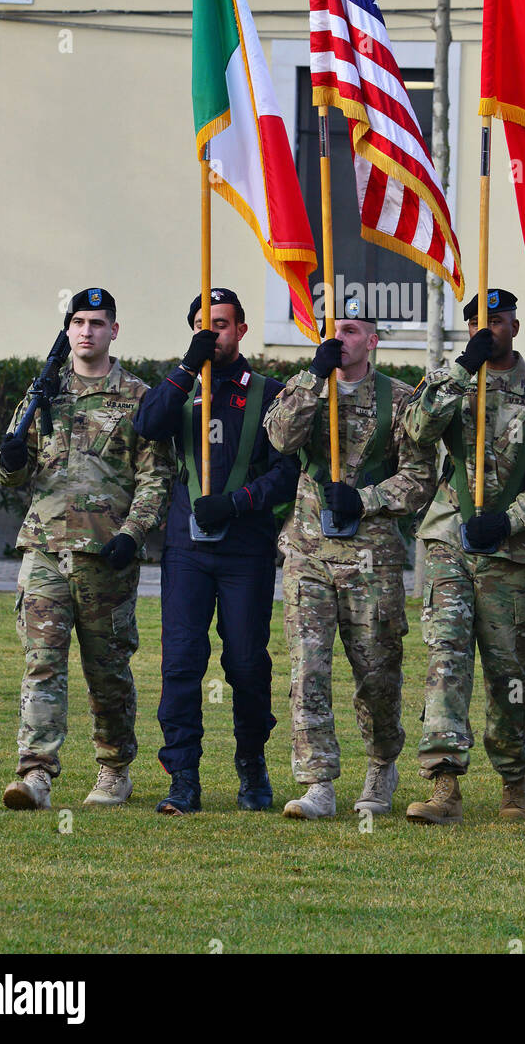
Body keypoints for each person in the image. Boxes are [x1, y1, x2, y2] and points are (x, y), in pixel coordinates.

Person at [0, 288, 174, 811]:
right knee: (43, 663)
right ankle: (35, 775)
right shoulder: (43, 392)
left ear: (114, 331)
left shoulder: (138, 397)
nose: (86, 331)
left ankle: (114, 768)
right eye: (77, 322)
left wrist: (133, 534)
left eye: (97, 322)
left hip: (106, 556)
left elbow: (155, 477)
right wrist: (9, 459)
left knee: (107, 670)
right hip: (46, 549)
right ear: (67, 329)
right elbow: (11, 472)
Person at [263, 295, 436, 820]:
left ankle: (383, 762)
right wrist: (314, 383)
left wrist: (365, 499)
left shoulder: (403, 400)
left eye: (353, 330)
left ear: (373, 340)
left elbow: (420, 480)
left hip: (370, 558)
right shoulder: (304, 386)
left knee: (377, 672)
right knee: (308, 669)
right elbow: (279, 439)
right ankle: (317, 780)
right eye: (335, 329)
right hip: (308, 553)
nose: (341, 338)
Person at [401, 288, 525, 826]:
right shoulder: (452, 380)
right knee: (445, 658)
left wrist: (510, 519)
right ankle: (443, 783)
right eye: (477, 321)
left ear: (515, 327)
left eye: (497, 321)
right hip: (450, 540)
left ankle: (514, 779)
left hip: (510, 553)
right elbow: (417, 430)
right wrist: (458, 369)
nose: (487, 328)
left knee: (510, 669)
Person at [133, 288, 299, 815]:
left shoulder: (270, 393)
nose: (215, 334)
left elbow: (287, 471)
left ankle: (252, 763)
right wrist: (188, 364)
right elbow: (146, 425)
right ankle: (183, 775)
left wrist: (237, 503)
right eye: (205, 325)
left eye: (223, 325)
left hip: (245, 549)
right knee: (181, 661)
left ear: (242, 330)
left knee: (246, 664)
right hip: (185, 550)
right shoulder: (180, 386)